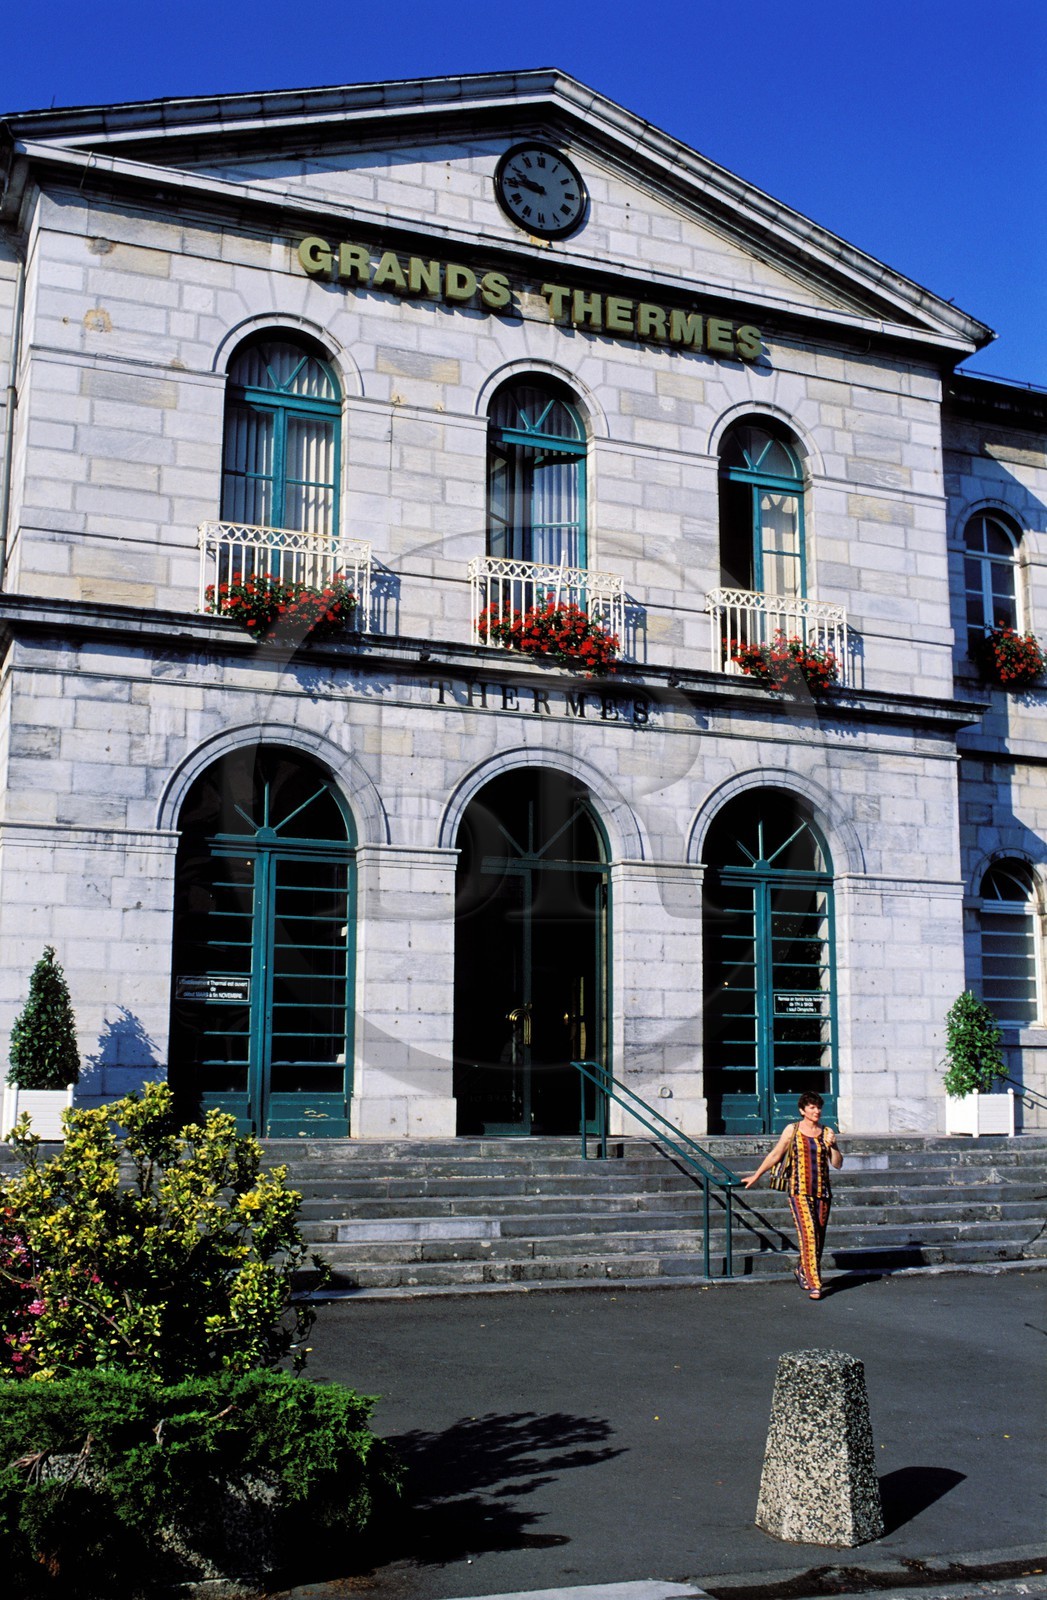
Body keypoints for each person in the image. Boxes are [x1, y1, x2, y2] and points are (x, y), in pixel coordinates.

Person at [743, 1092, 843, 1299]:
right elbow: (775, 1154)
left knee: (818, 1238)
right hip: (799, 1191)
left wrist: (833, 1145)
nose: (816, 1111)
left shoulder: (826, 1132)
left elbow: (837, 1164)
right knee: (809, 1235)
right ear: (802, 1110)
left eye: (818, 1107)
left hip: (822, 1192)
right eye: (812, 1107)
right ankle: (816, 1284)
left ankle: (802, 1269)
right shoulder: (793, 1130)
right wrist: (756, 1175)